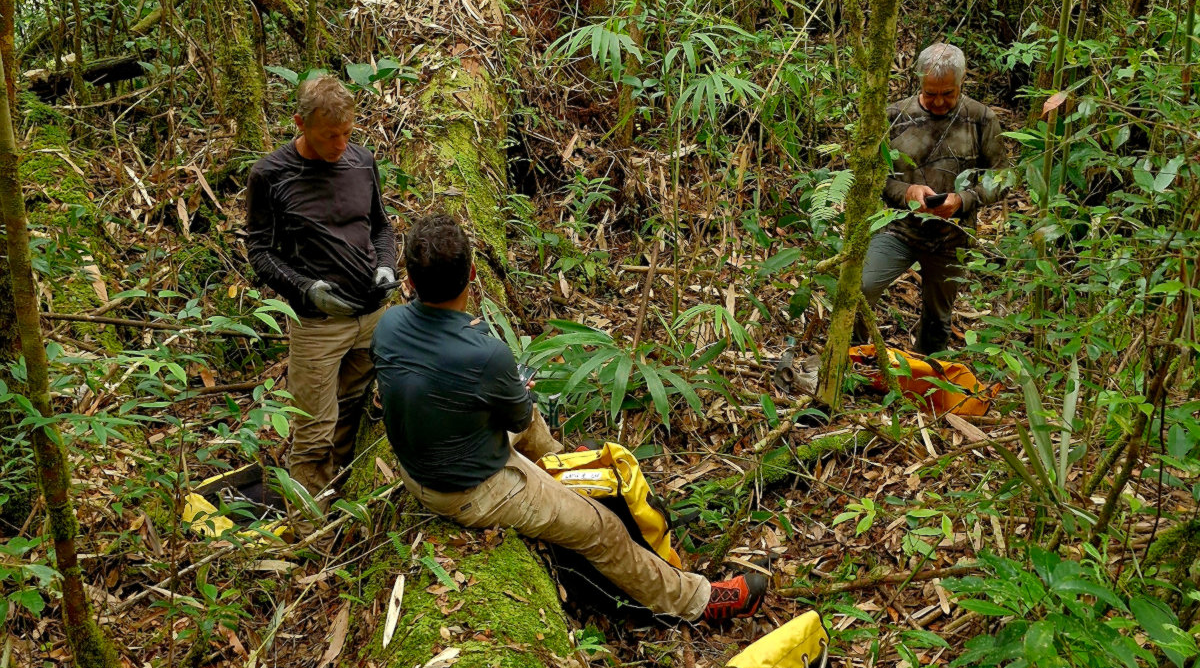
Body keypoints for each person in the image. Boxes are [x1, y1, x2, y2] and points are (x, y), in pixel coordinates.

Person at [372, 213, 767, 623]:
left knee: (529, 425)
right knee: (604, 529)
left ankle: (564, 466)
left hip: (419, 465)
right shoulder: (486, 354)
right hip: (468, 491)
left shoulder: (388, 324)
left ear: (410, 281)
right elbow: (518, 414)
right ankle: (697, 601)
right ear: (472, 273)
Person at [246, 74, 397, 500]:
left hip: (371, 317)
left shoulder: (362, 162)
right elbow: (259, 251)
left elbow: (381, 227)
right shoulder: (270, 175)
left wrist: (386, 266)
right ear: (300, 123)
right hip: (317, 328)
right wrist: (304, 288)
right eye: (330, 136)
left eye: (348, 133)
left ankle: (340, 502)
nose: (340, 145)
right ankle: (308, 531)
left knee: (351, 410)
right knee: (312, 433)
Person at [859, 43, 1007, 355]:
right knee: (862, 286)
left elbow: (1002, 176)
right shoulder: (894, 117)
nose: (939, 101)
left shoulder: (981, 120)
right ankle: (852, 359)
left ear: (962, 81)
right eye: (930, 93)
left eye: (948, 94)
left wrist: (964, 199)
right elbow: (873, 177)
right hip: (899, 229)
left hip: (951, 236)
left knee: (938, 319)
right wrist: (906, 193)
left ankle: (924, 384)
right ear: (919, 83)